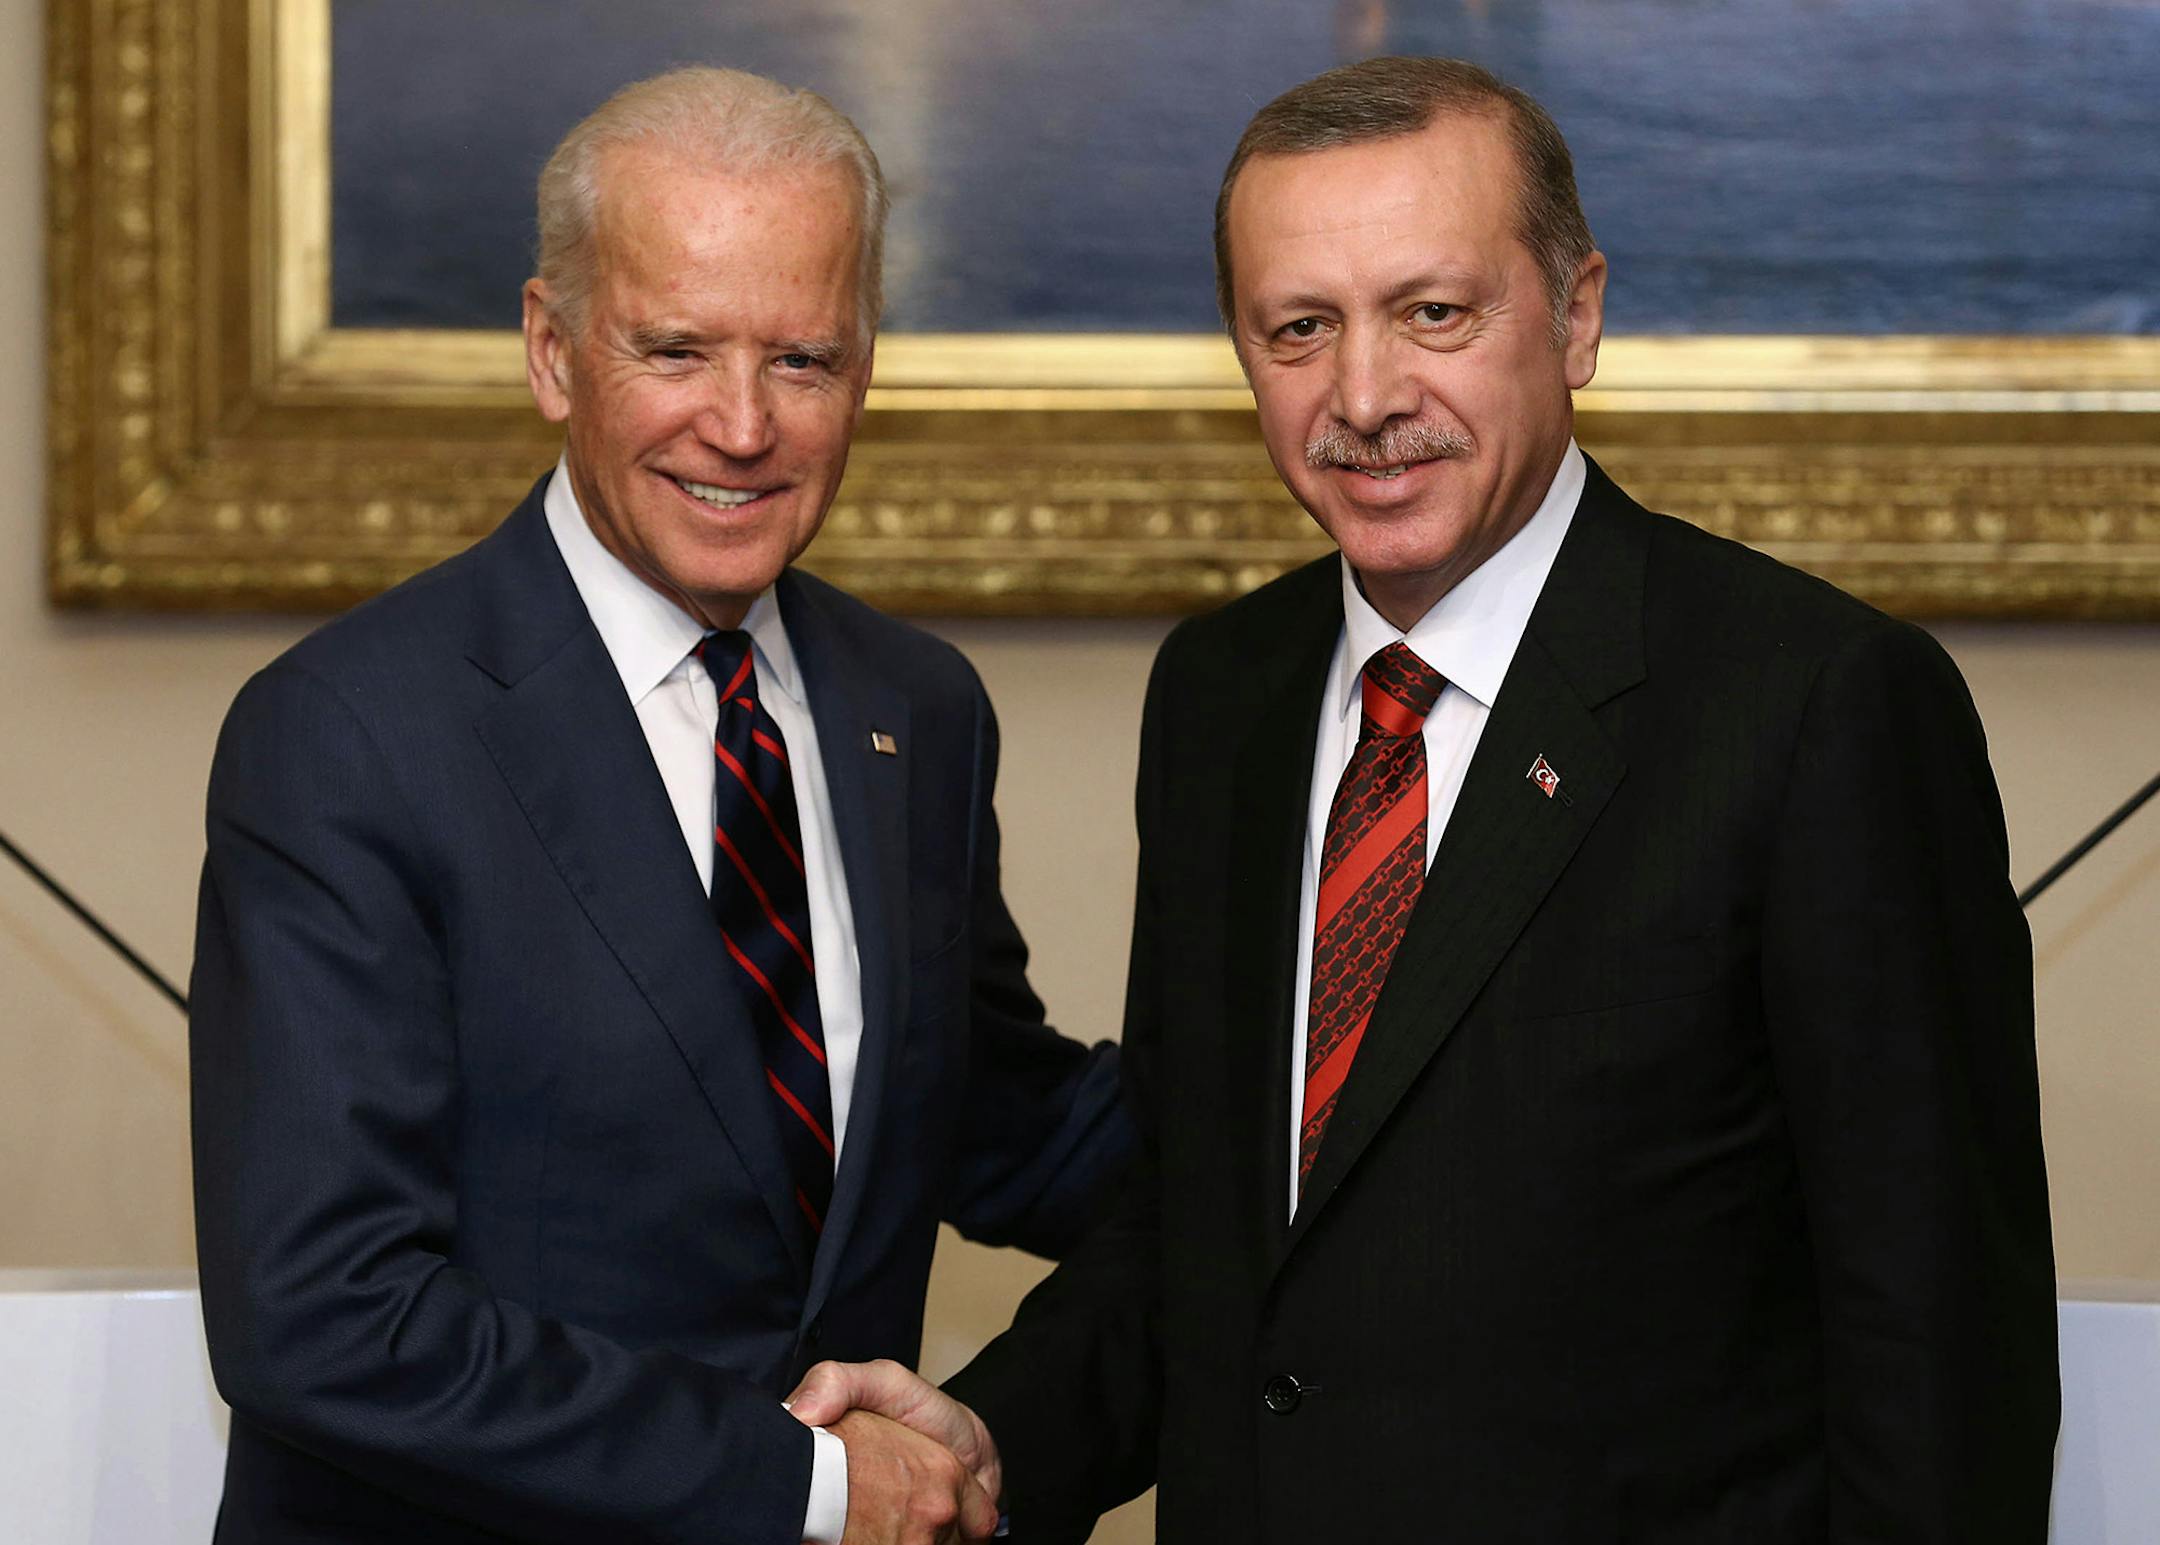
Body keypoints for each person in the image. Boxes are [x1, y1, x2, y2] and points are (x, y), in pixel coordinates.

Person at [788, 55, 2060, 1543]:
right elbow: (1204, 1230)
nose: (1367, 396)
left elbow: (1942, 1364)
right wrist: (985, 1449)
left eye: (1433, 312)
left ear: (1576, 313)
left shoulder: (1816, 707)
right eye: (1301, 328)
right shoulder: (1223, 695)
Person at [189, 67, 1131, 1545]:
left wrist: (1356, 1115)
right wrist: (816, 1484)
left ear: (866, 362)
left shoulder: (916, 709)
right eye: (677, 349)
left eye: (805, 358)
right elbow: (324, 1315)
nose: (743, 426)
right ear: (553, 352)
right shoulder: (350, 734)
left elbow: (996, 1119)